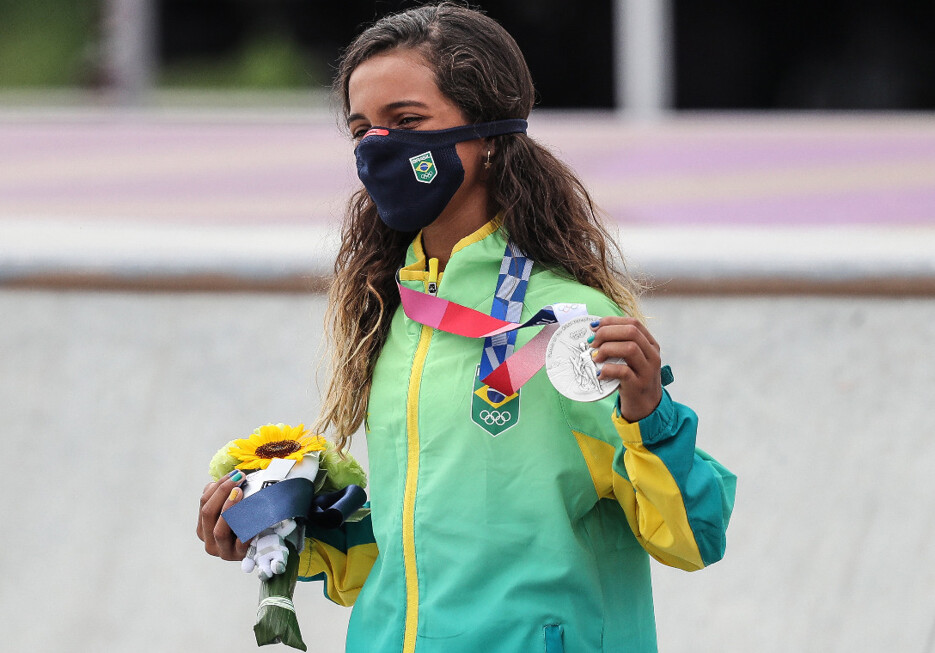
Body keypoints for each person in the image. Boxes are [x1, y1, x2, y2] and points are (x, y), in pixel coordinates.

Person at [198, 4, 736, 652]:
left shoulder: (567, 321)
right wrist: (282, 527)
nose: (377, 148)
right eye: (360, 128)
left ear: (486, 133)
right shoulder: (393, 320)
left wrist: (649, 413)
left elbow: (691, 534)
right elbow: (414, 555)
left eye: (406, 121)